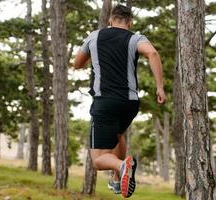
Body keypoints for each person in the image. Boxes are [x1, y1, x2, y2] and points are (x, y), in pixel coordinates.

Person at [73, 4, 165, 198]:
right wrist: (160, 87)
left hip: (105, 101)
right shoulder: (135, 38)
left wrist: (95, 55)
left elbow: (77, 63)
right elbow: (153, 53)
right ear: (129, 22)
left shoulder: (95, 36)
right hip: (129, 103)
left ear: (110, 20)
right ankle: (117, 179)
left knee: (98, 160)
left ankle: (121, 166)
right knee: (117, 134)